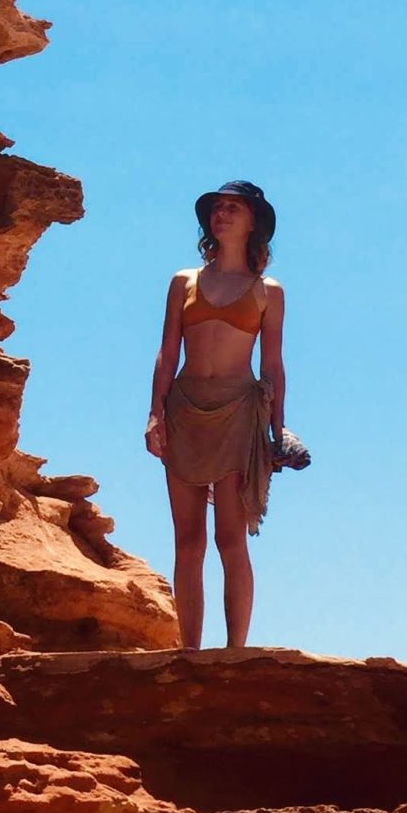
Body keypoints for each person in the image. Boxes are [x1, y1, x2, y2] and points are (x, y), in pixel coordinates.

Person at [144, 179, 286, 650]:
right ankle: (189, 652)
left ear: (253, 223)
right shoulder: (183, 281)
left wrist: (277, 431)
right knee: (187, 541)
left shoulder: (267, 291)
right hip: (184, 408)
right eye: (217, 207)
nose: (221, 214)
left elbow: (271, 364)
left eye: (233, 208)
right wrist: (154, 414)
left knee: (230, 539)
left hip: (238, 413)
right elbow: (166, 352)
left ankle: (235, 653)